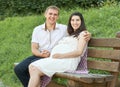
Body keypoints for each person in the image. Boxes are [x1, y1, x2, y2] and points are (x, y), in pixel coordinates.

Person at [14, 5, 91, 87]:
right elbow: (34, 49)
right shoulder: (37, 29)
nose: (52, 16)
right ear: (45, 14)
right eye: (50, 14)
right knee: (20, 68)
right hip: (43, 56)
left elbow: (80, 45)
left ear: (57, 16)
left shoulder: (64, 29)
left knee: (33, 67)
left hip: (60, 59)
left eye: (55, 14)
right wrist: (41, 54)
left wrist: (88, 34)